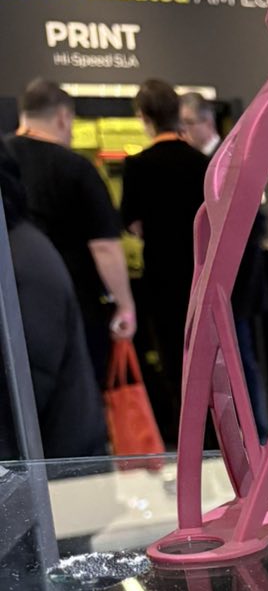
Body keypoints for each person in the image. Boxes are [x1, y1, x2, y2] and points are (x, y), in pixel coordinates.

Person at [5, 79, 136, 390]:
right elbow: (104, 247)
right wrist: (124, 305)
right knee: (77, 392)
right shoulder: (76, 168)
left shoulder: (4, 161)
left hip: (10, 305)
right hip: (72, 305)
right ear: (64, 117)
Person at [0, 143, 107, 459]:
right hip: (53, 462)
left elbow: (25, 389)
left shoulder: (17, 262)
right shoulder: (18, 249)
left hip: (54, 468)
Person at [177, 92, 268, 440]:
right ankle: (237, 433)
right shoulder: (203, 163)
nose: (183, 132)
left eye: (187, 124)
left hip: (235, 287)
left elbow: (252, 226)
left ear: (206, 121)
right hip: (221, 284)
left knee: (240, 358)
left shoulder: (228, 162)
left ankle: (255, 433)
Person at [120, 80, 209, 444]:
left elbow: (131, 221)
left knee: (174, 358)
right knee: (209, 356)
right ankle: (214, 435)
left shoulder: (138, 166)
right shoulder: (203, 164)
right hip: (204, 274)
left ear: (144, 117)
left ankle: (185, 435)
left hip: (162, 276)